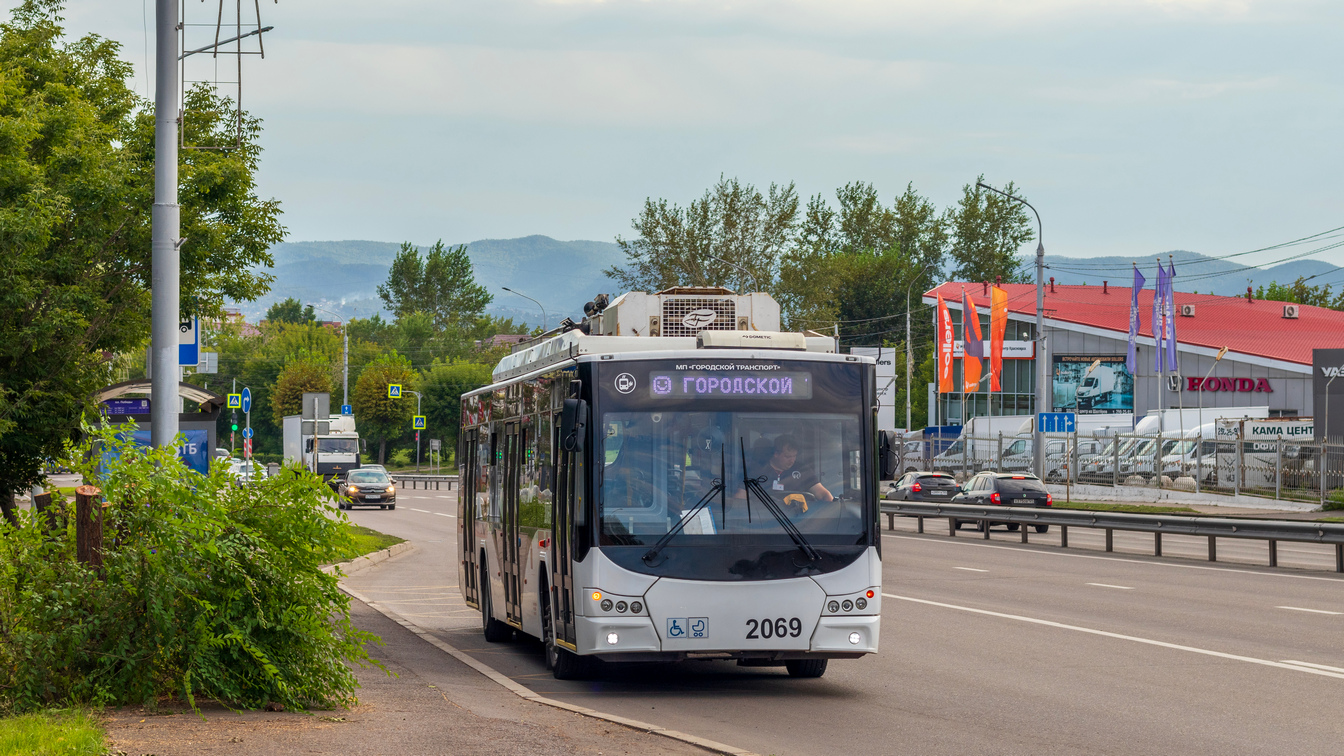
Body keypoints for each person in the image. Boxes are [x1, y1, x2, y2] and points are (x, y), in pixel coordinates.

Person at [741, 434, 834, 503]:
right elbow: (740, 498)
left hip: (800, 520)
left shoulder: (802, 470)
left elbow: (823, 494)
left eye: (794, 456)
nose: (792, 460)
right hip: (763, 520)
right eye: (787, 456)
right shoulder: (757, 471)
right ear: (776, 454)